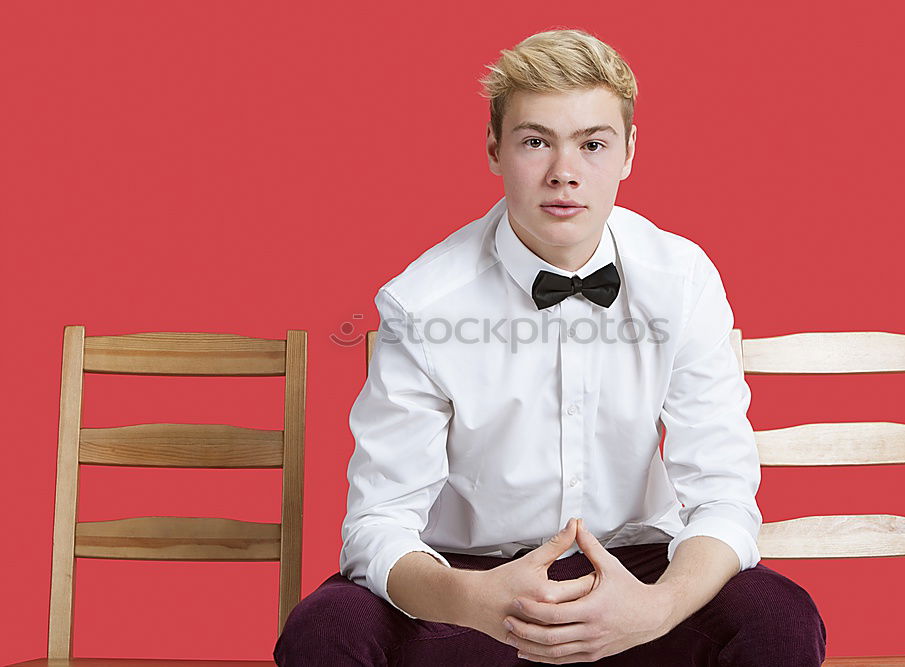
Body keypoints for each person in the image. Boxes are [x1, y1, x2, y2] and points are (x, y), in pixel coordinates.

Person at [275, 27, 827, 665]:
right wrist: (474, 601)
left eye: (592, 144)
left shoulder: (683, 281)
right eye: (536, 142)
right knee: (326, 632)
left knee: (782, 619)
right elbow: (380, 523)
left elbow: (723, 496)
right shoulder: (423, 301)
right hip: (469, 582)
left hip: (636, 572)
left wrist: (658, 607)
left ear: (628, 153)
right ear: (494, 148)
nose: (565, 173)